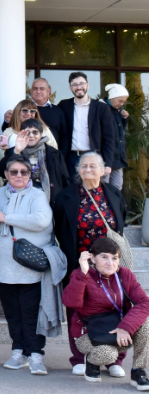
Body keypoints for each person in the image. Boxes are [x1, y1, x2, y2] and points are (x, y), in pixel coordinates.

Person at [53, 152, 128, 377]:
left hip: (109, 266)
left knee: (115, 308)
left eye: (92, 166)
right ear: (78, 170)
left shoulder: (113, 193)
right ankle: (80, 357)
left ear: (103, 169)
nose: (87, 169)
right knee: (77, 311)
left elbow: (120, 224)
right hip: (80, 263)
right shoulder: (66, 195)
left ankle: (114, 359)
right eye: (84, 166)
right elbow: (60, 228)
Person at [0, 154, 55, 375]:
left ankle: (36, 354)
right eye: (13, 172)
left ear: (30, 175)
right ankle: (18, 351)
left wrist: (5, 217)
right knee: (12, 312)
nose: (18, 175)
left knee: (30, 312)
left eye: (23, 172)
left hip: (29, 266)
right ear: (6, 174)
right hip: (3, 264)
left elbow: (41, 220)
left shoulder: (37, 194)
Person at [63, 237, 148, 390]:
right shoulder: (81, 275)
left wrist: (126, 327)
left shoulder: (124, 274)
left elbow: (144, 302)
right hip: (90, 333)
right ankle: (92, 360)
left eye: (114, 258)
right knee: (107, 355)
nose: (110, 262)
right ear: (93, 258)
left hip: (118, 330)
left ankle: (138, 370)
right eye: (104, 257)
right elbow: (71, 303)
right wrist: (83, 273)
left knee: (146, 322)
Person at [0, 119, 70, 207]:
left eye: (35, 132)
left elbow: (65, 179)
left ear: (41, 134)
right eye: (27, 132)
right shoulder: (14, 150)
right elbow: (0, 172)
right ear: (22, 134)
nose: (31, 136)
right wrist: (17, 151)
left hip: (48, 199)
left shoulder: (54, 153)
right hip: (20, 198)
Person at [57, 72, 116, 178]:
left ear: (87, 85)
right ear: (70, 88)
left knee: (93, 190)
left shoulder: (101, 108)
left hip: (93, 157)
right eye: (75, 84)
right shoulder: (64, 106)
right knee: (72, 191)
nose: (78, 87)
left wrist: (107, 163)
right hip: (71, 158)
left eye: (81, 83)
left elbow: (109, 138)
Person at [3, 78, 66, 145]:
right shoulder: (22, 106)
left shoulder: (57, 111)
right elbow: (10, 128)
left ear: (48, 91)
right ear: (31, 91)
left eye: (42, 88)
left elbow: (64, 136)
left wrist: (61, 155)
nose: (28, 113)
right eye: (35, 88)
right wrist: (7, 121)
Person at [100, 83, 130, 190]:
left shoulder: (118, 111)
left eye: (124, 101)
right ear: (112, 97)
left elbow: (119, 132)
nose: (122, 104)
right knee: (104, 188)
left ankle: (115, 207)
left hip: (118, 158)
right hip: (105, 157)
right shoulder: (101, 108)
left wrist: (124, 119)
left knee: (117, 188)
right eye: (120, 101)